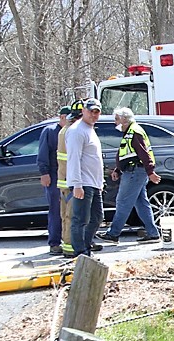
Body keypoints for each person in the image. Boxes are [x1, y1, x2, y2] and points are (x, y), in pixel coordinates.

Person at [97, 107, 162, 244]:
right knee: (141, 203)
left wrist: (150, 172)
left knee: (123, 202)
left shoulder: (134, 132)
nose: (115, 123)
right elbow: (127, 155)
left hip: (135, 172)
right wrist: (118, 170)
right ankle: (153, 233)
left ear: (125, 120)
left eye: (117, 119)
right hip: (134, 171)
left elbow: (144, 154)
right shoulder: (129, 132)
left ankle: (113, 234)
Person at [66, 98, 105, 257]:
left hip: (94, 183)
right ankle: (80, 252)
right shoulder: (77, 130)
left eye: (97, 112)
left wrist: (100, 182)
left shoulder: (90, 129)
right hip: (82, 183)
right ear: (83, 111)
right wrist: (77, 184)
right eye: (90, 111)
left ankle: (86, 245)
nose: (93, 115)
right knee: (80, 219)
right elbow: (73, 158)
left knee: (97, 217)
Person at [38, 105, 72, 255]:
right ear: (62, 117)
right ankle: (54, 242)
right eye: (69, 118)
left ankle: (70, 240)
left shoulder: (72, 132)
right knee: (56, 210)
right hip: (53, 175)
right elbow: (43, 153)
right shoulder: (50, 131)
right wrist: (44, 173)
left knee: (71, 211)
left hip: (69, 176)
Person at [57, 100, 85, 257]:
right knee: (73, 216)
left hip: (64, 180)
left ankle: (67, 245)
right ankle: (71, 248)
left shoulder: (64, 130)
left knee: (66, 217)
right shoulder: (72, 132)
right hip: (71, 181)